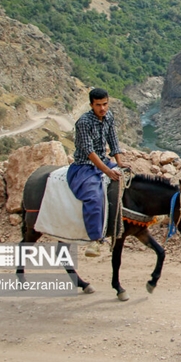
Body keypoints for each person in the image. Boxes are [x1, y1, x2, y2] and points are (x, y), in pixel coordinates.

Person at [67, 88, 123, 257]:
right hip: (85, 166)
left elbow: (113, 138)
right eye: (98, 105)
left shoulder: (109, 116)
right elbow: (89, 152)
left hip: (104, 161)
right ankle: (95, 239)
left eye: (105, 104)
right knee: (94, 195)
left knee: (127, 180)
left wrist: (119, 162)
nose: (102, 108)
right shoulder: (83, 123)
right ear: (91, 105)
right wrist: (107, 170)